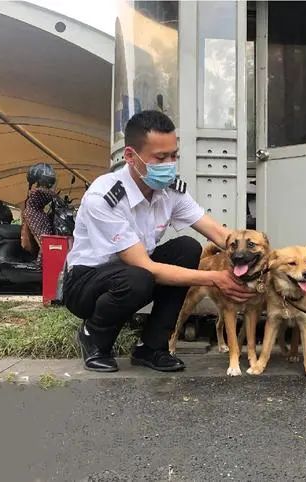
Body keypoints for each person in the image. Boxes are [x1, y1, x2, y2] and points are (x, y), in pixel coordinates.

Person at [63, 110, 253, 373]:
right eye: (161, 157)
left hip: (134, 273)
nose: (170, 164)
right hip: (87, 282)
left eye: (174, 155)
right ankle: (93, 337)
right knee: (138, 278)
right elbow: (146, 268)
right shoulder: (104, 197)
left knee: (186, 248)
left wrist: (266, 258)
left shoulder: (170, 191)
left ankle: (152, 347)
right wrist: (215, 278)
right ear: (130, 156)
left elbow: (220, 235)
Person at [22, 163, 57, 266]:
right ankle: (40, 265)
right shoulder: (37, 191)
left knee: (47, 238)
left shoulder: (39, 190)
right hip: (33, 214)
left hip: (39, 214)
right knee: (44, 240)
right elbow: (49, 194)